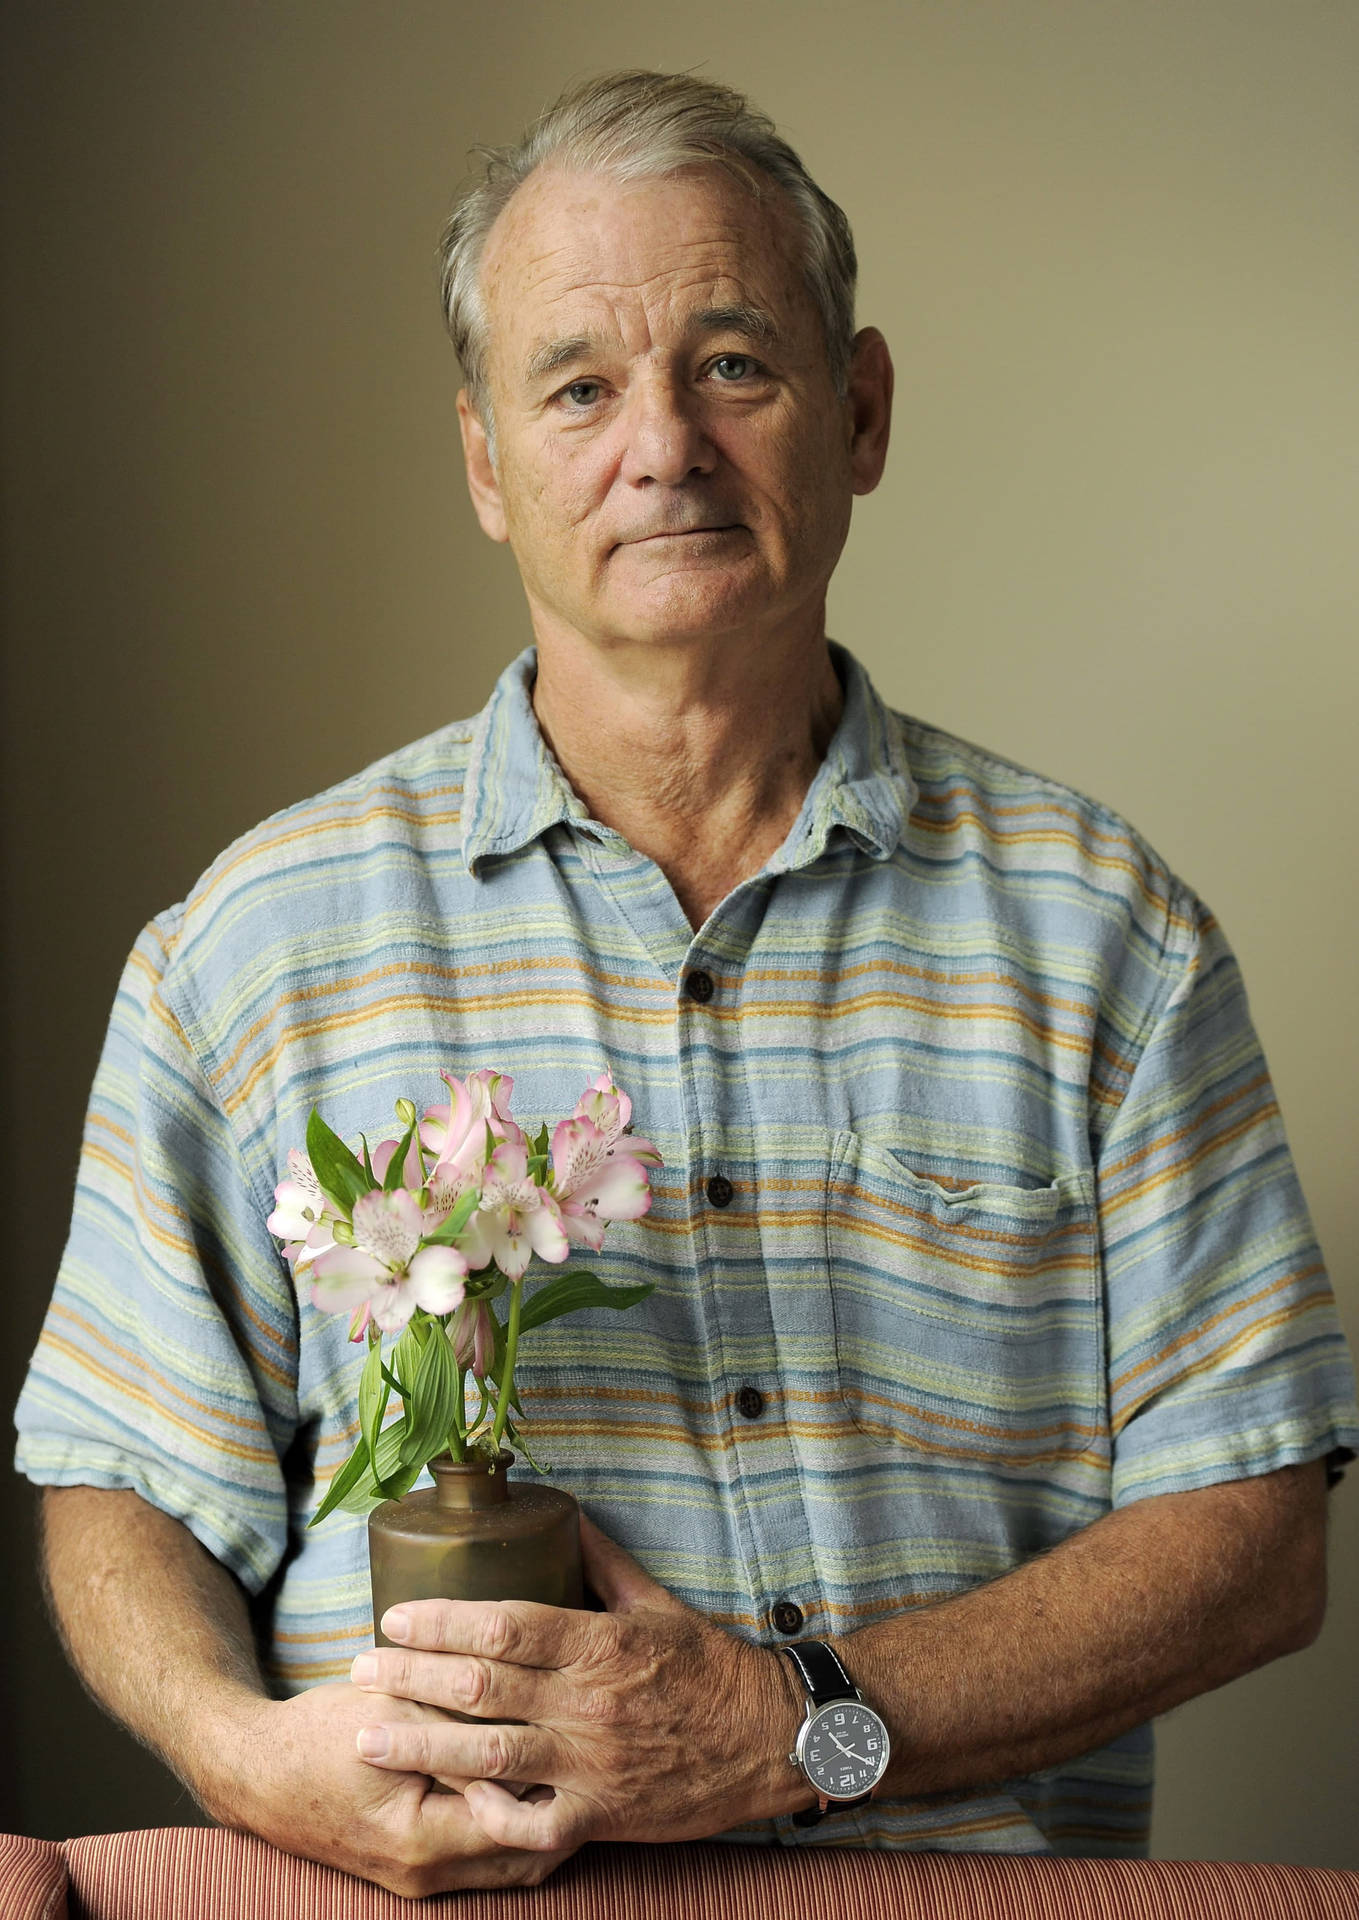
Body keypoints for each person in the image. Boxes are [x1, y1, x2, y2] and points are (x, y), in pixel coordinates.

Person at [17, 69, 1358, 1899]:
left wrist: (798, 1722)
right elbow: (121, 1486)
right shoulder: (247, 947)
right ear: (488, 464)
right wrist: (247, 1757)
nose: (662, 447)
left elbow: (1258, 1530)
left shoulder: (1111, 936)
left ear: (860, 411)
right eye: (578, 387)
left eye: (733, 365)